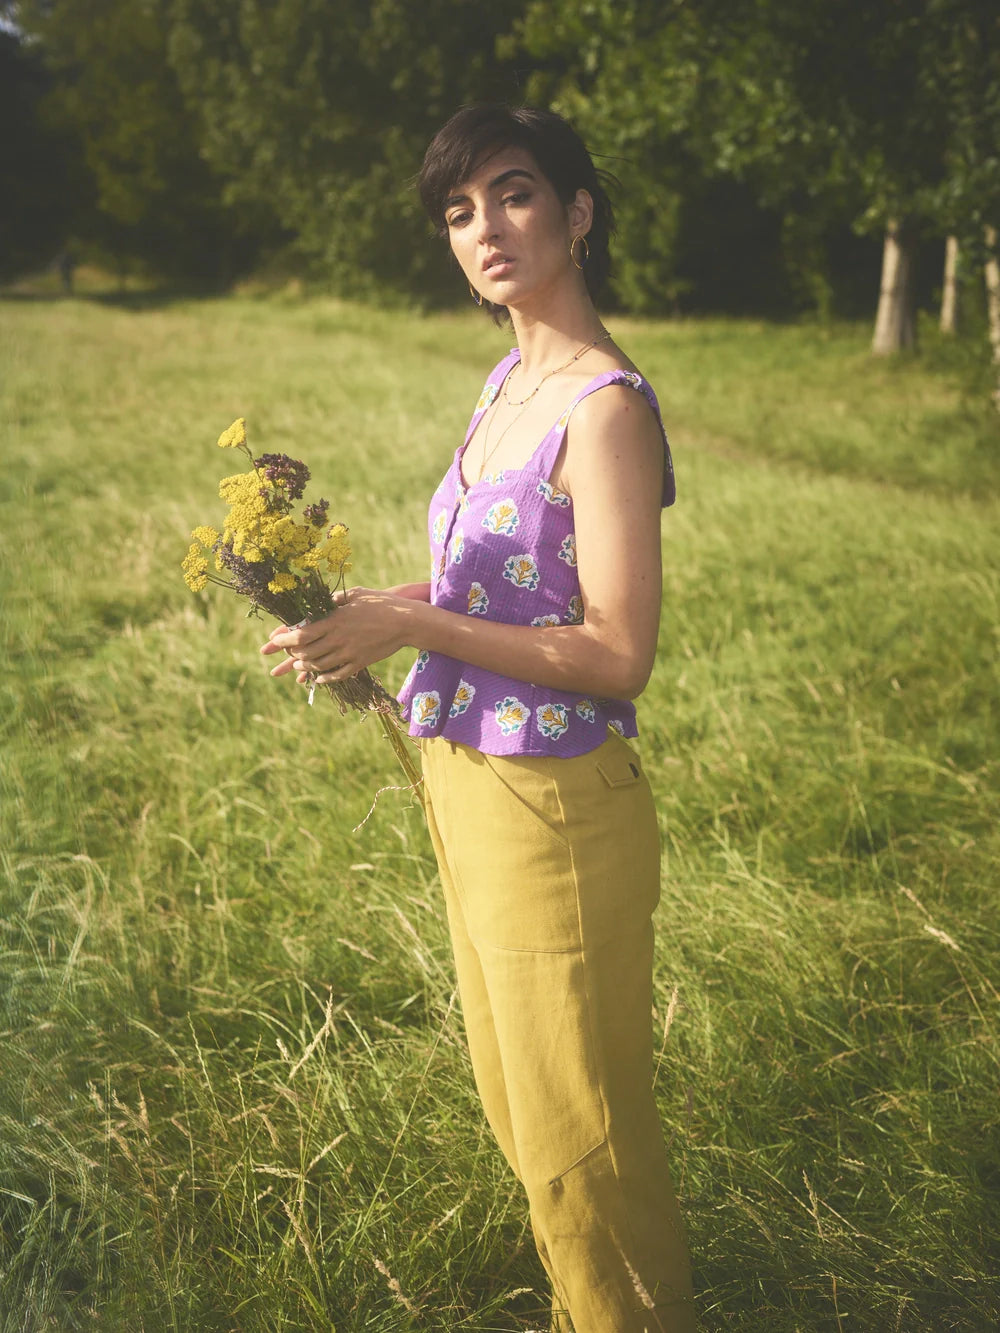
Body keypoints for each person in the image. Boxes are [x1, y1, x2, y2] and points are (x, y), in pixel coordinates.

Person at [262, 104, 696, 1333]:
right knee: (523, 1114)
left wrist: (412, 632)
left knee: (584, 1141)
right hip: (466, 785)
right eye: (458, 211)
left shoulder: (602, 408)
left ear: (577, 212)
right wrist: (361, 608)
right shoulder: (509, 378)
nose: (484, 228)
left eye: (512, 194)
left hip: (557, 810)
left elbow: (618, 652)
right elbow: (481, 586)